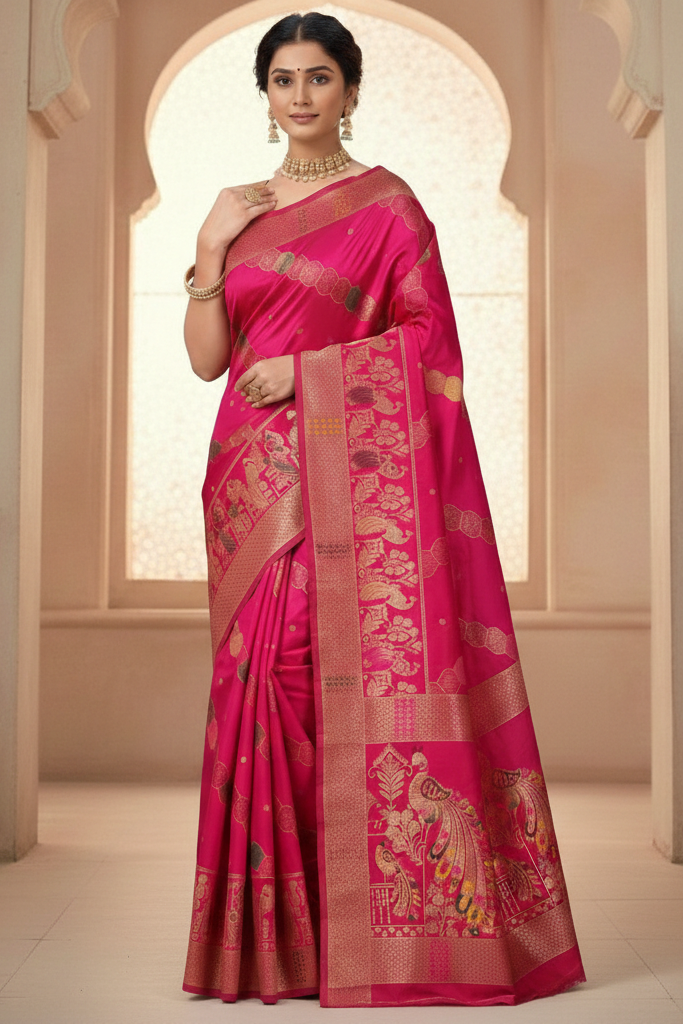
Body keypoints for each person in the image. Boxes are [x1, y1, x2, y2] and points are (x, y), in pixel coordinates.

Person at [180, 11, 585, 1008]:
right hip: (248, 475)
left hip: (338, 474)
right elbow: (203, 361)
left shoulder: (390, 209)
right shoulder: (237, 207)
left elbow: (428, 345)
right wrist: (204, 248)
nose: (303, 94)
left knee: (310, 678)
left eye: (321, 77)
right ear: (265, 94)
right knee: (256, 686)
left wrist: (307, 372)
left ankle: (355, 931)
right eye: (284, 78)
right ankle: (270, 942)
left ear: (351, 91)